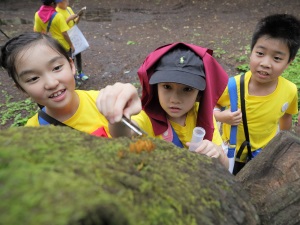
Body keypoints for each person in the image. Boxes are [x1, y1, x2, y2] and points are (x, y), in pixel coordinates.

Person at [99, 42, 230, 169]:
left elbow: (226, 166)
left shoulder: (203, 117)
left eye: (187, 89)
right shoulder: (148, 117)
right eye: (167, 87)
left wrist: (217, 154)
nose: (175, 99)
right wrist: (118, 114)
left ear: (200, 94)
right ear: (155, 88)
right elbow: (123, 134)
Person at [0, 32, 141, 137]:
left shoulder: (104, 102)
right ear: (21, 88)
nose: (51, 83)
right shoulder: (31, 135)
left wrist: (120, 117)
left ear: (71, 65)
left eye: (56, 68)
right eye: (33, 78)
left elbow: (135, 138)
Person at [214, 14, 300, 175]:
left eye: (276, 58)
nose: (265, 63)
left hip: (264, 155)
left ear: (289, 61)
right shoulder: (232, 86)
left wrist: (280, 145)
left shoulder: (290, 90)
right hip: (232, 154)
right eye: (260, 53)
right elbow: (211, 106)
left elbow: (287, 117)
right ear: (251, 51)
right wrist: (221, 117)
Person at [56, 0, 89, 81]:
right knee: (70, 58)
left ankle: (80, 73)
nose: (68, 2)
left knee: (78, 55)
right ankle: (72, 77)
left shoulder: (68, 9)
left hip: (74, 36)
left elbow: (75, 23)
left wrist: (79, 16)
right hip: (66, 38)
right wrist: (68, 19)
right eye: (66, 1)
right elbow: (61, 29)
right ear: (60, 2)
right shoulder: (56, 12)